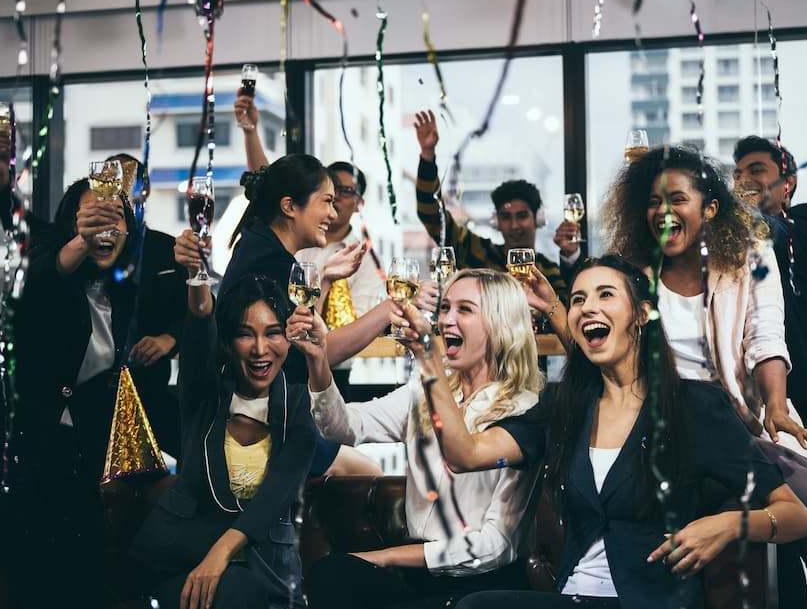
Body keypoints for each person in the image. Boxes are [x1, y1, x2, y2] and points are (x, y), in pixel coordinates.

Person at [405, 256, 807, 609]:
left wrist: (725, 526)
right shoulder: (563, 407)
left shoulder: (694, 407)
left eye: (604, 295)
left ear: (641, 313)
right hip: (573, 596)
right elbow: (465, 455)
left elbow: (798, 516)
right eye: (578, 299)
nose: (586, 308)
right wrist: (429, 361)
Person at [604, 144, 807, 607]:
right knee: (790, 474)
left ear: (709, 208)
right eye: (652, 202)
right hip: (663, 430)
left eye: (677, 200)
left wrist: (774, 405)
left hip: (738, 424)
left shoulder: (752, 256)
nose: (663, 212)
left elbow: (766, 336)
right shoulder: (631, 274)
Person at [0, 178, 139, 608]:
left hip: (63, 462)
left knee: (96, 579)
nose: (105, 228)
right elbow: (37, 269)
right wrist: (78, 243)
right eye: (91, 218)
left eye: (115, 217)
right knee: (47, 582)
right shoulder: (42, 277)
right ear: (71, 227)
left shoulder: (121, 298)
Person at [302, 269, 545, 609]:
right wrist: (317, 362)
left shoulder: (524, 412)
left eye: (465, 309)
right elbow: (342, 428)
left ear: (501, 323)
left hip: (482, 588)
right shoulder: (423, 393)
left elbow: (493, 547)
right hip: (418, 579)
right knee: (331, 574)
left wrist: (386, 557)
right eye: (445, 308)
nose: (446, 320)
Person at [181, 154, 390, 476]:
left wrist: (325, 280)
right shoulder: (270, 264)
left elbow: (298, 337)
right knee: (368, 474)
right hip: (259, 423)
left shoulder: (262, 248)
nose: (333, 214)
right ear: (290, 206)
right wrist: (390, 309)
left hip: (268, 412)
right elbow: (318, 352)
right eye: (327, 202)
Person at [0, 131, 186, 457]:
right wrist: (4, 178)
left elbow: (197, 314)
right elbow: (27, 239)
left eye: (121, 188)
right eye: (104, 184)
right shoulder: (60, 254)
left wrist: (169, 338)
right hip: (30, 437)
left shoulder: (163, 251)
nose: (109, 199)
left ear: (141, 194)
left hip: (131, 412)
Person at [130, 274, 319, 609]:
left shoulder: (300, 405)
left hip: (262, 576)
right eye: (245, 334)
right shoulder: (204, 394)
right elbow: (199, 330)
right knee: (238, 591)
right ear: (227, 343)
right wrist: (196, 276)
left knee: (243, 589)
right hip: (179, 560)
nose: (260, 349)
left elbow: (278, 492)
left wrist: (221, 554)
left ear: (289, 338)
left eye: (273, 332)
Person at [733, 136, 807, 439]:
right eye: (737, 174)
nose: (743, 180)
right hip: (739, 395)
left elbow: (771, 230)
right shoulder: (732, 244)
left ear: (787, 183)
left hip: (791, 395)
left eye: (756, 170)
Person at [413, 109, 571, 302]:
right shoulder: (477, 251)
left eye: (522, 215)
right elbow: (432, 217)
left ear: (537, 218)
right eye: (506, 217)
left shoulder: (548, 270)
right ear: (496, 221)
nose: (514, 226)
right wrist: (428, 156)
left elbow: (564, 315)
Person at [295, 161, 390, 400]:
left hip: (334, 371)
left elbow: (356, 327)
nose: (336, 196)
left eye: (346, 191)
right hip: (281, 364)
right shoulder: (297, 242)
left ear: (359, 204)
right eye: (332, 189)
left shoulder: (363, 258)